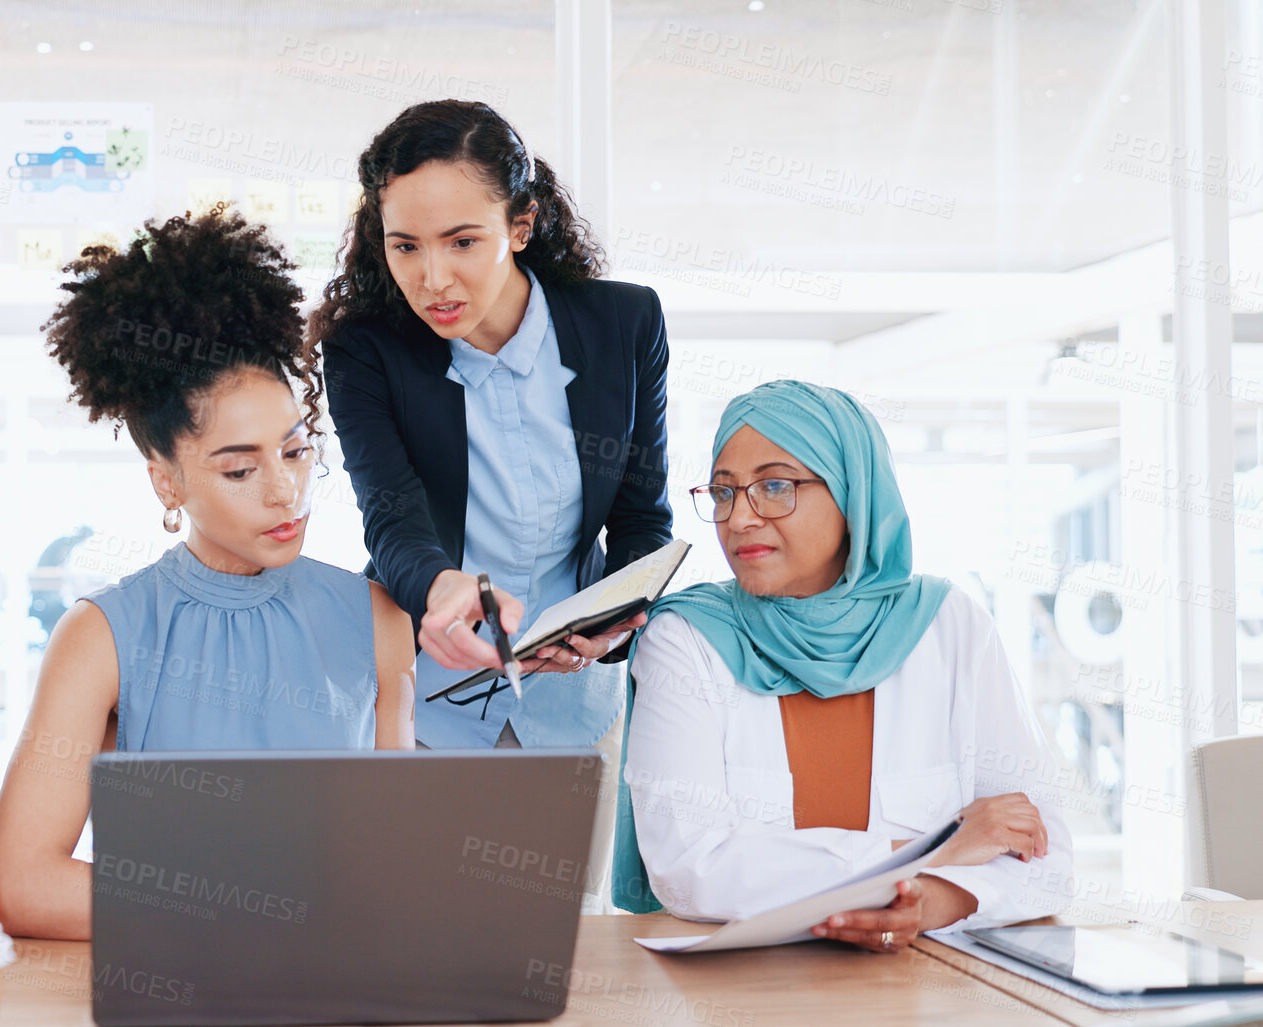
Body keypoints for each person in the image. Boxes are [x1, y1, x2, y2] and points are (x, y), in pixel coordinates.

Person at [0, 206, 416, 941]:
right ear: (167, 482)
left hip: (330, 981)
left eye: (296, 448)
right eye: (241, 467)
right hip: (175, 983)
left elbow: (390, 859)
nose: (285, 489)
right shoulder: (102, 636)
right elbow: (24, 882)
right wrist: (245, 907)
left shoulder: (376, 619)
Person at [311, 100, 671, 908]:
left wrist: (610, 621)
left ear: (520, 223)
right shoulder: (366, 349)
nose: (430, 279)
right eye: (404, 246)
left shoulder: (623, 324)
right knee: (414, 935)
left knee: (557, 944)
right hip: (424, 697)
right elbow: (391, 512)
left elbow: (643, 516)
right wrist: (443, 591)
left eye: (462, 241)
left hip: (574, 699)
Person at [616, 379, 1071, 947]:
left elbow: (1041, 849)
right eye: (724, 492)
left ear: (854, 494)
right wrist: (931, 851)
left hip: (924, 986)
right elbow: (689, 868)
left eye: (775, 486)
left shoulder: (950, 625)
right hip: (744, 993)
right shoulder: (685, 637)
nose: (738, 519)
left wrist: (930, 902)